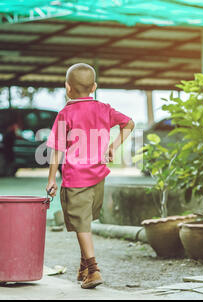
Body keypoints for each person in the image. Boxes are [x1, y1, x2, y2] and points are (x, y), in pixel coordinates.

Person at [46, 63, 135, 289]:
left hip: (76, 178)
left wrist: (51, 180)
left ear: (67, 88)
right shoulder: (104, 108)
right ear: (94, 86)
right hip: (98, 178)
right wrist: (113, 146)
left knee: (81, 225)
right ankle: (84, 266)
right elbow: (129, 123)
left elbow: (57, 149)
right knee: (84, 222)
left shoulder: (65, 114)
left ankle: (94, 270)